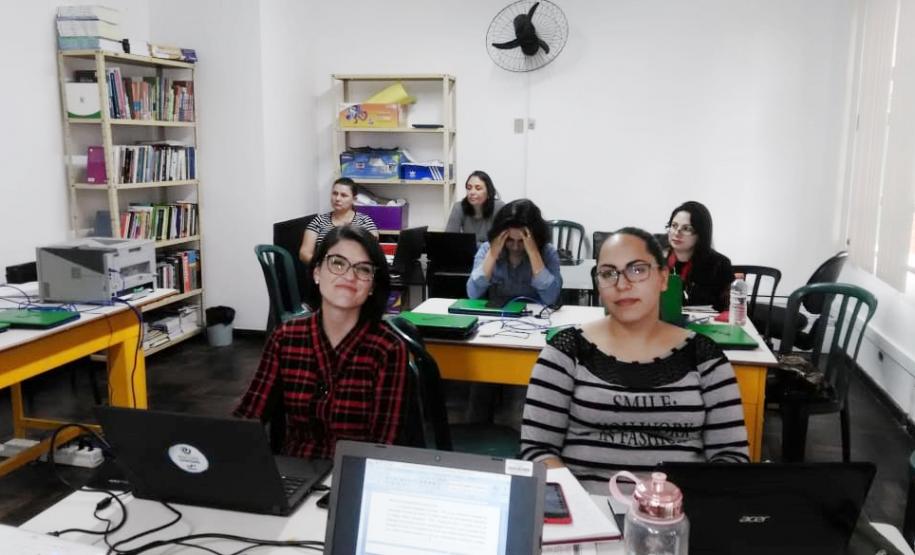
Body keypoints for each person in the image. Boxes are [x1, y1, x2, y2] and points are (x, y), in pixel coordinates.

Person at [519, 227, 748, 492]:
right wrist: (583, 509)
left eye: (637, 269)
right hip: (586, 515)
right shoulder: (565, 352)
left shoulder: (705, 358)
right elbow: (537, 451)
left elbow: (731, 458)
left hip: (678, 518)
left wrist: (673, 512)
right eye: (608, 273)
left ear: (663, 278)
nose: (622, 284)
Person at [236, 225, 407, 459]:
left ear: (372, 287)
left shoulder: (387, 348)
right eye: (337, 263)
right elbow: (249, 415)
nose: (348, 276)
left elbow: (382, 444)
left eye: (363, 269)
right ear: (317, 272)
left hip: (352, 474)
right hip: (296, 471)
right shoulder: (286, 337)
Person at [466, 199, 562, 306]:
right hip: (497, 315)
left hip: (535, 316)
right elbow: (473, 294)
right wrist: (492, 256)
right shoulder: (486, 249)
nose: (515, 247)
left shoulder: (547, 252)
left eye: (521, 241)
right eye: (510, 240)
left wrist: (533, 253)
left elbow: (551, 298)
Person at [664, 200, 733, 311]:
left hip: (705, 326)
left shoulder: (719, 264)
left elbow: (731, 309)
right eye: (674, 226)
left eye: (686, 228)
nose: (677, 232)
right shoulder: (657, 260)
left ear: (701, 234)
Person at [299, 177, 378, 265]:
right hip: (324, 271)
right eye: (335, 193)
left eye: (343, 195)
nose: (337, 198)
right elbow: (304, 253)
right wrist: (324, 267)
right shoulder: (319, 221)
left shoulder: (365, 221)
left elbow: (373, 251)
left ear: (354, 199)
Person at [445, 170, 506, 244]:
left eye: (478, 188)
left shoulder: (499, 207)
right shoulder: (459, 207)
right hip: (468, 253)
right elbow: (448, 239)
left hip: (492, 253)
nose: (472, 192)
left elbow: (504, 241)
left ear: (489, 192)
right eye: (469, 188)